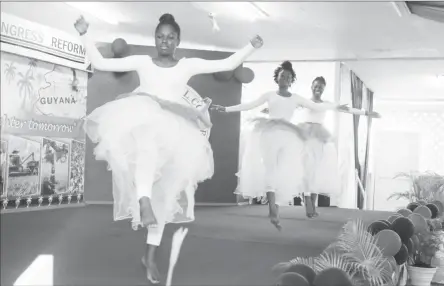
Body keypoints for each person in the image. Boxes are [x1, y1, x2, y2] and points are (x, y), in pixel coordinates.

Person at [74, 14, 263, 284]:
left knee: (166, 193)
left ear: (178, 41)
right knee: (147, 150)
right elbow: (101, 62)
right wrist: (84, 34)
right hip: (144, 116)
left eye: (170, 37)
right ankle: (143, 201)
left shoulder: (187, 65)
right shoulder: (142, 62)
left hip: (176, 129)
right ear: (155, 39)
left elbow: (228, 63)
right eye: (160, 36)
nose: (165, 41)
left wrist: (251, 46)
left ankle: (149, 255)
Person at [210, 61, 343, 231]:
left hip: (288, 137)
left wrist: (337, 106)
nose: (285, 78)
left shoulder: (296, 98)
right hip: (270, 134)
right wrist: (227, 109)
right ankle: (273, 208)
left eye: (288, 77)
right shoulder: (269, 95)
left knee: (285, 170)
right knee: (270, 169)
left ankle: (280, 203)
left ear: (291, 80)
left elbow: (317, 106)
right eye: (282, 76)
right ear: (277, 78)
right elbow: (249, 105)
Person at [299, 76, 380, 218]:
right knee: (307, 168)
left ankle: (312, 203)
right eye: (316, 86)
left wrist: (367, 113)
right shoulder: (304, 102)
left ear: (323, 90)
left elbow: (346, 109)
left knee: (317, 171)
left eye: (321, 87)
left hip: (319, 137)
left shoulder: (326, 104)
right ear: (312, 86)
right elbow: (289, 104)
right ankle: (307, 200)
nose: (318, 89)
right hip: (305, 135)